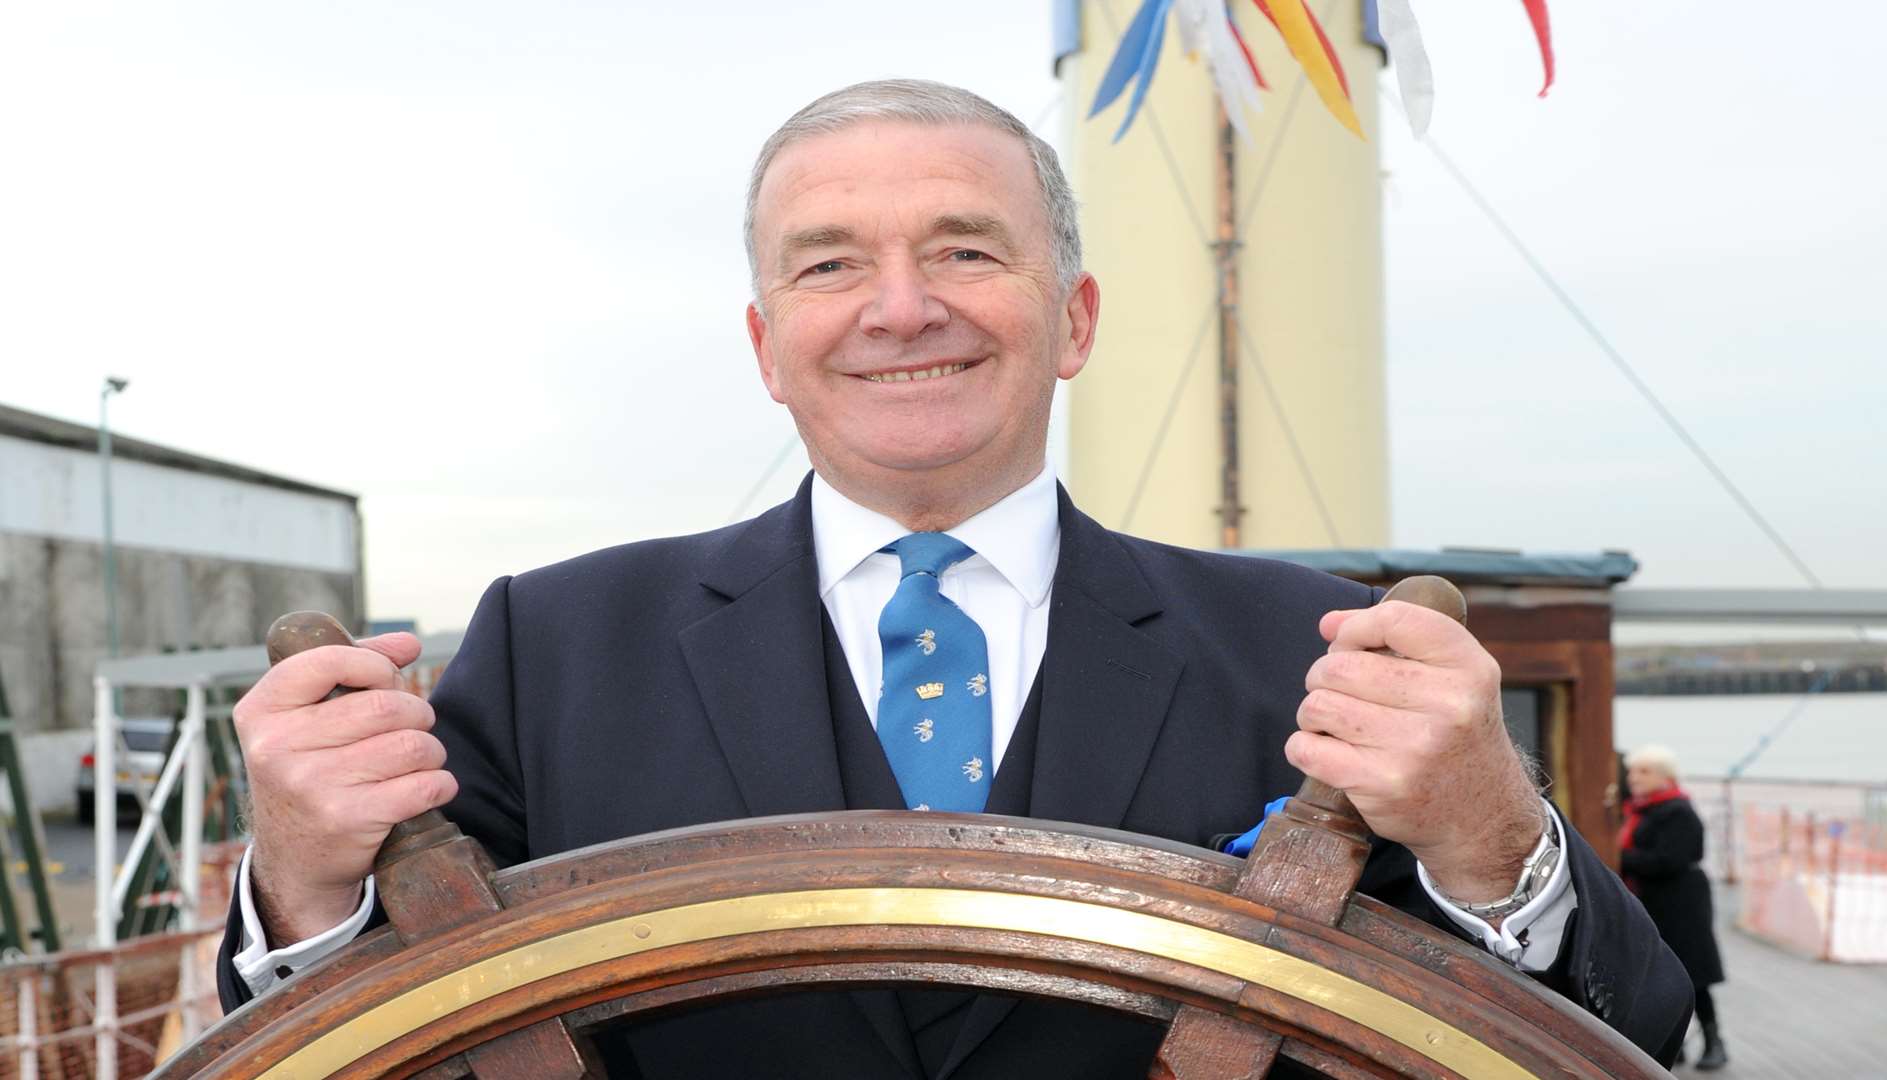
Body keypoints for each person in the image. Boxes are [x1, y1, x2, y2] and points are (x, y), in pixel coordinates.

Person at [215, 79, 1691, 1076]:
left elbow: (1634, 1033)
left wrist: (1496, 841)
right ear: (764, 346)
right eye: (830, 265)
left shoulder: (1302, 651)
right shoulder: (553, 642)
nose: (901, 309)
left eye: (965, 250)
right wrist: (298, 878)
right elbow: (347, 1039)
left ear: (1076, 318)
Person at [1619, 743, 1729, 1070]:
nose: (1633, 778)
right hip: (1653, 901)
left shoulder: (1678, 812)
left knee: (1693, 974)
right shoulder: (1641, 809)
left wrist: (1616, 858)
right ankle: (1674, 1043)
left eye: (1643, 771)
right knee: (1659, 976)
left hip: (1681, 904)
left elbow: (1671, 860)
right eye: (1632, 771)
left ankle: (1714, 1042)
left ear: (1665, 777)